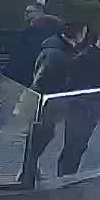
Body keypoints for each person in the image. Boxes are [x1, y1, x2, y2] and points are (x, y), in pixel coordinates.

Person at [55, 28, 100, 176]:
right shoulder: (87, 59)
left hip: (86, 108)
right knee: (74, 145)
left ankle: (67, 175)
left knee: (77, 145)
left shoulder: (94, 57)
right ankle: (66, 176)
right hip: (83, 109)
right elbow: (81, 85)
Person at [23, 21, 86, 178]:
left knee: (41, 136)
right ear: (78, 34)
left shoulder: (56, 49)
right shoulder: (58, 53)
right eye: (84, 32)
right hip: (48, 104)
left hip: (47, 102)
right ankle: (28, 173)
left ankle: (30, 171)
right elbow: (45, 80)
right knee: (42, 136)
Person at [5, 4, 59, 89]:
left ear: (41, 13)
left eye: (29, 12)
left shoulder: (51, 34)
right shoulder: (24, 34)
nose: (26, 14)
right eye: (25, 12)